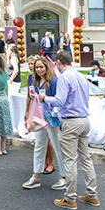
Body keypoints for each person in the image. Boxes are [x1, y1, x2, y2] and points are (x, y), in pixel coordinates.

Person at [38, 51, 98, 210]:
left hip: (71, 122)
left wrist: (45, 99)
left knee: (70, 160)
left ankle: (70, 198)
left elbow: (59, 100)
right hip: (84, 120)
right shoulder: (80, 76)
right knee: (86, 159)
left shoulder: (64, 77)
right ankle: (92, 195)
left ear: (58, 62)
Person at [22, 56, 67, 191]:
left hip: (51, 118)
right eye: (37, 67)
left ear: (47, 67)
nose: (39, 69)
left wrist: (45, 100)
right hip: (38, 117)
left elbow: (58, 100)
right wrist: (27, 114)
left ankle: (63, 177)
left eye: (41, 67)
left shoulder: (53, 81)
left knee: (57, 146)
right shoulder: (32, 79)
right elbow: (29, 97)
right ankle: (36, 176)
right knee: (39, 145)